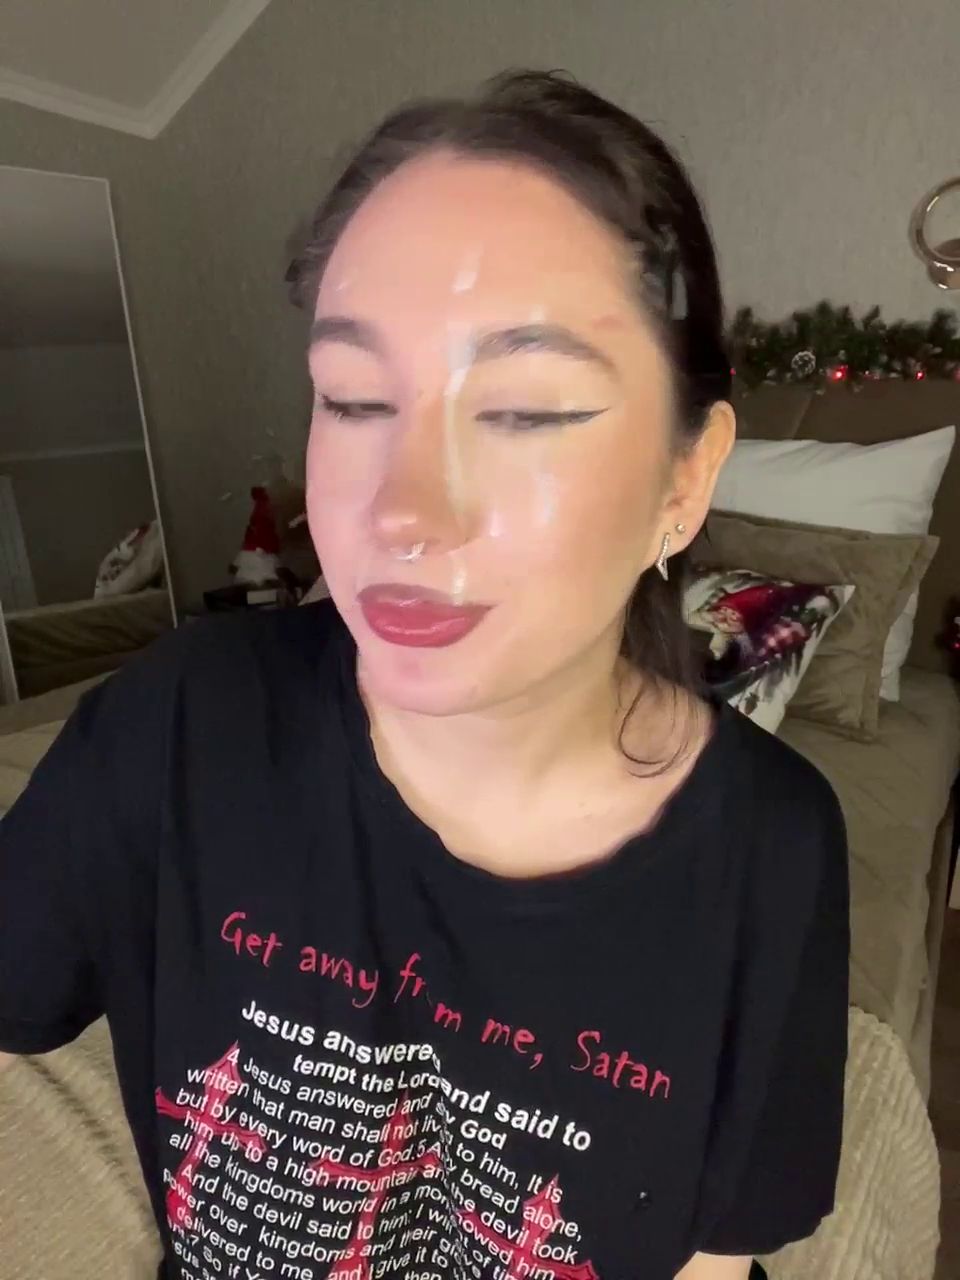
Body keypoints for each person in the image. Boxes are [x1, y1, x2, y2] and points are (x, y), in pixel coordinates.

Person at [0, 71, 848, 1280]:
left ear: (684, 478)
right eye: (352, 399)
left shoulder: (773, 846)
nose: (400, 510)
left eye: (525, 410)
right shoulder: (182, 717)